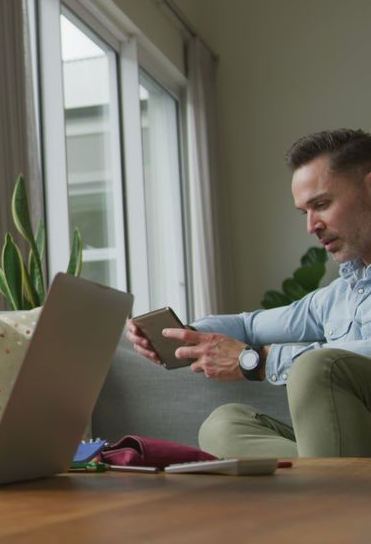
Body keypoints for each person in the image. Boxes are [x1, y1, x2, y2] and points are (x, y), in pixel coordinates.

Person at [126, 128, 371, 458]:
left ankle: (323, 491)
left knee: (318, 367)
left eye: (322, 204)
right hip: (351, 455)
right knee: (225, 425)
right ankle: (323, 487)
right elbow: (251, 326)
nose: (311, 226)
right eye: (305, 212)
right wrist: (183, 335)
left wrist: (251, 360)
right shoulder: (339, 296)